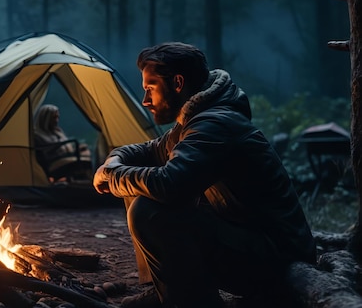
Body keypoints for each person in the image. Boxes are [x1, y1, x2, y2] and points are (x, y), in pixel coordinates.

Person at [93, 42, 316, 308]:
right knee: (138, 184)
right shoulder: (197, 118)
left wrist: (113, 175)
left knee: (148, 209)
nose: (145, 100)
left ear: (177, 83)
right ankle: (169, 288)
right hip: (252, 241)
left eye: (150, 88)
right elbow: (150, 150)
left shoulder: (215, 124)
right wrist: (114, 163)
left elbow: (169, 185)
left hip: (278, 257)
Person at [34, 104, 91, 181]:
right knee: (84, 161)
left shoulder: (58, 131)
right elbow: (45, 152)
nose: (56, 120)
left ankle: (86, 180)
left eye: (57, 117)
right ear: (46, 118)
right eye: (54, 118)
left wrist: (76, 149)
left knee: (86, 152)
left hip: (65, 157)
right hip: (55, 161)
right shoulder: (38, 134)